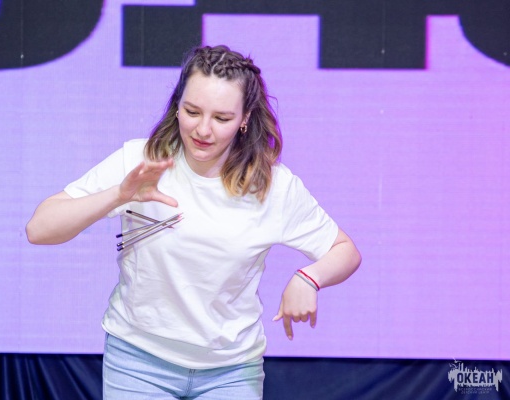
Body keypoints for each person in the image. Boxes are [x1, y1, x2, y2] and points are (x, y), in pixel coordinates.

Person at [26, 44, 361, 399]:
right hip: (137, 362)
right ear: (177, 105)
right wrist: (119, 195)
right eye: (192, 111)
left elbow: (345, 250)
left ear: (245, 118)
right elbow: (39, 229)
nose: (203, 130)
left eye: (222, 118)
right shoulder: (141, 161)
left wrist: (309, 278)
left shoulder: (273, 186)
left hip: (231, 370)